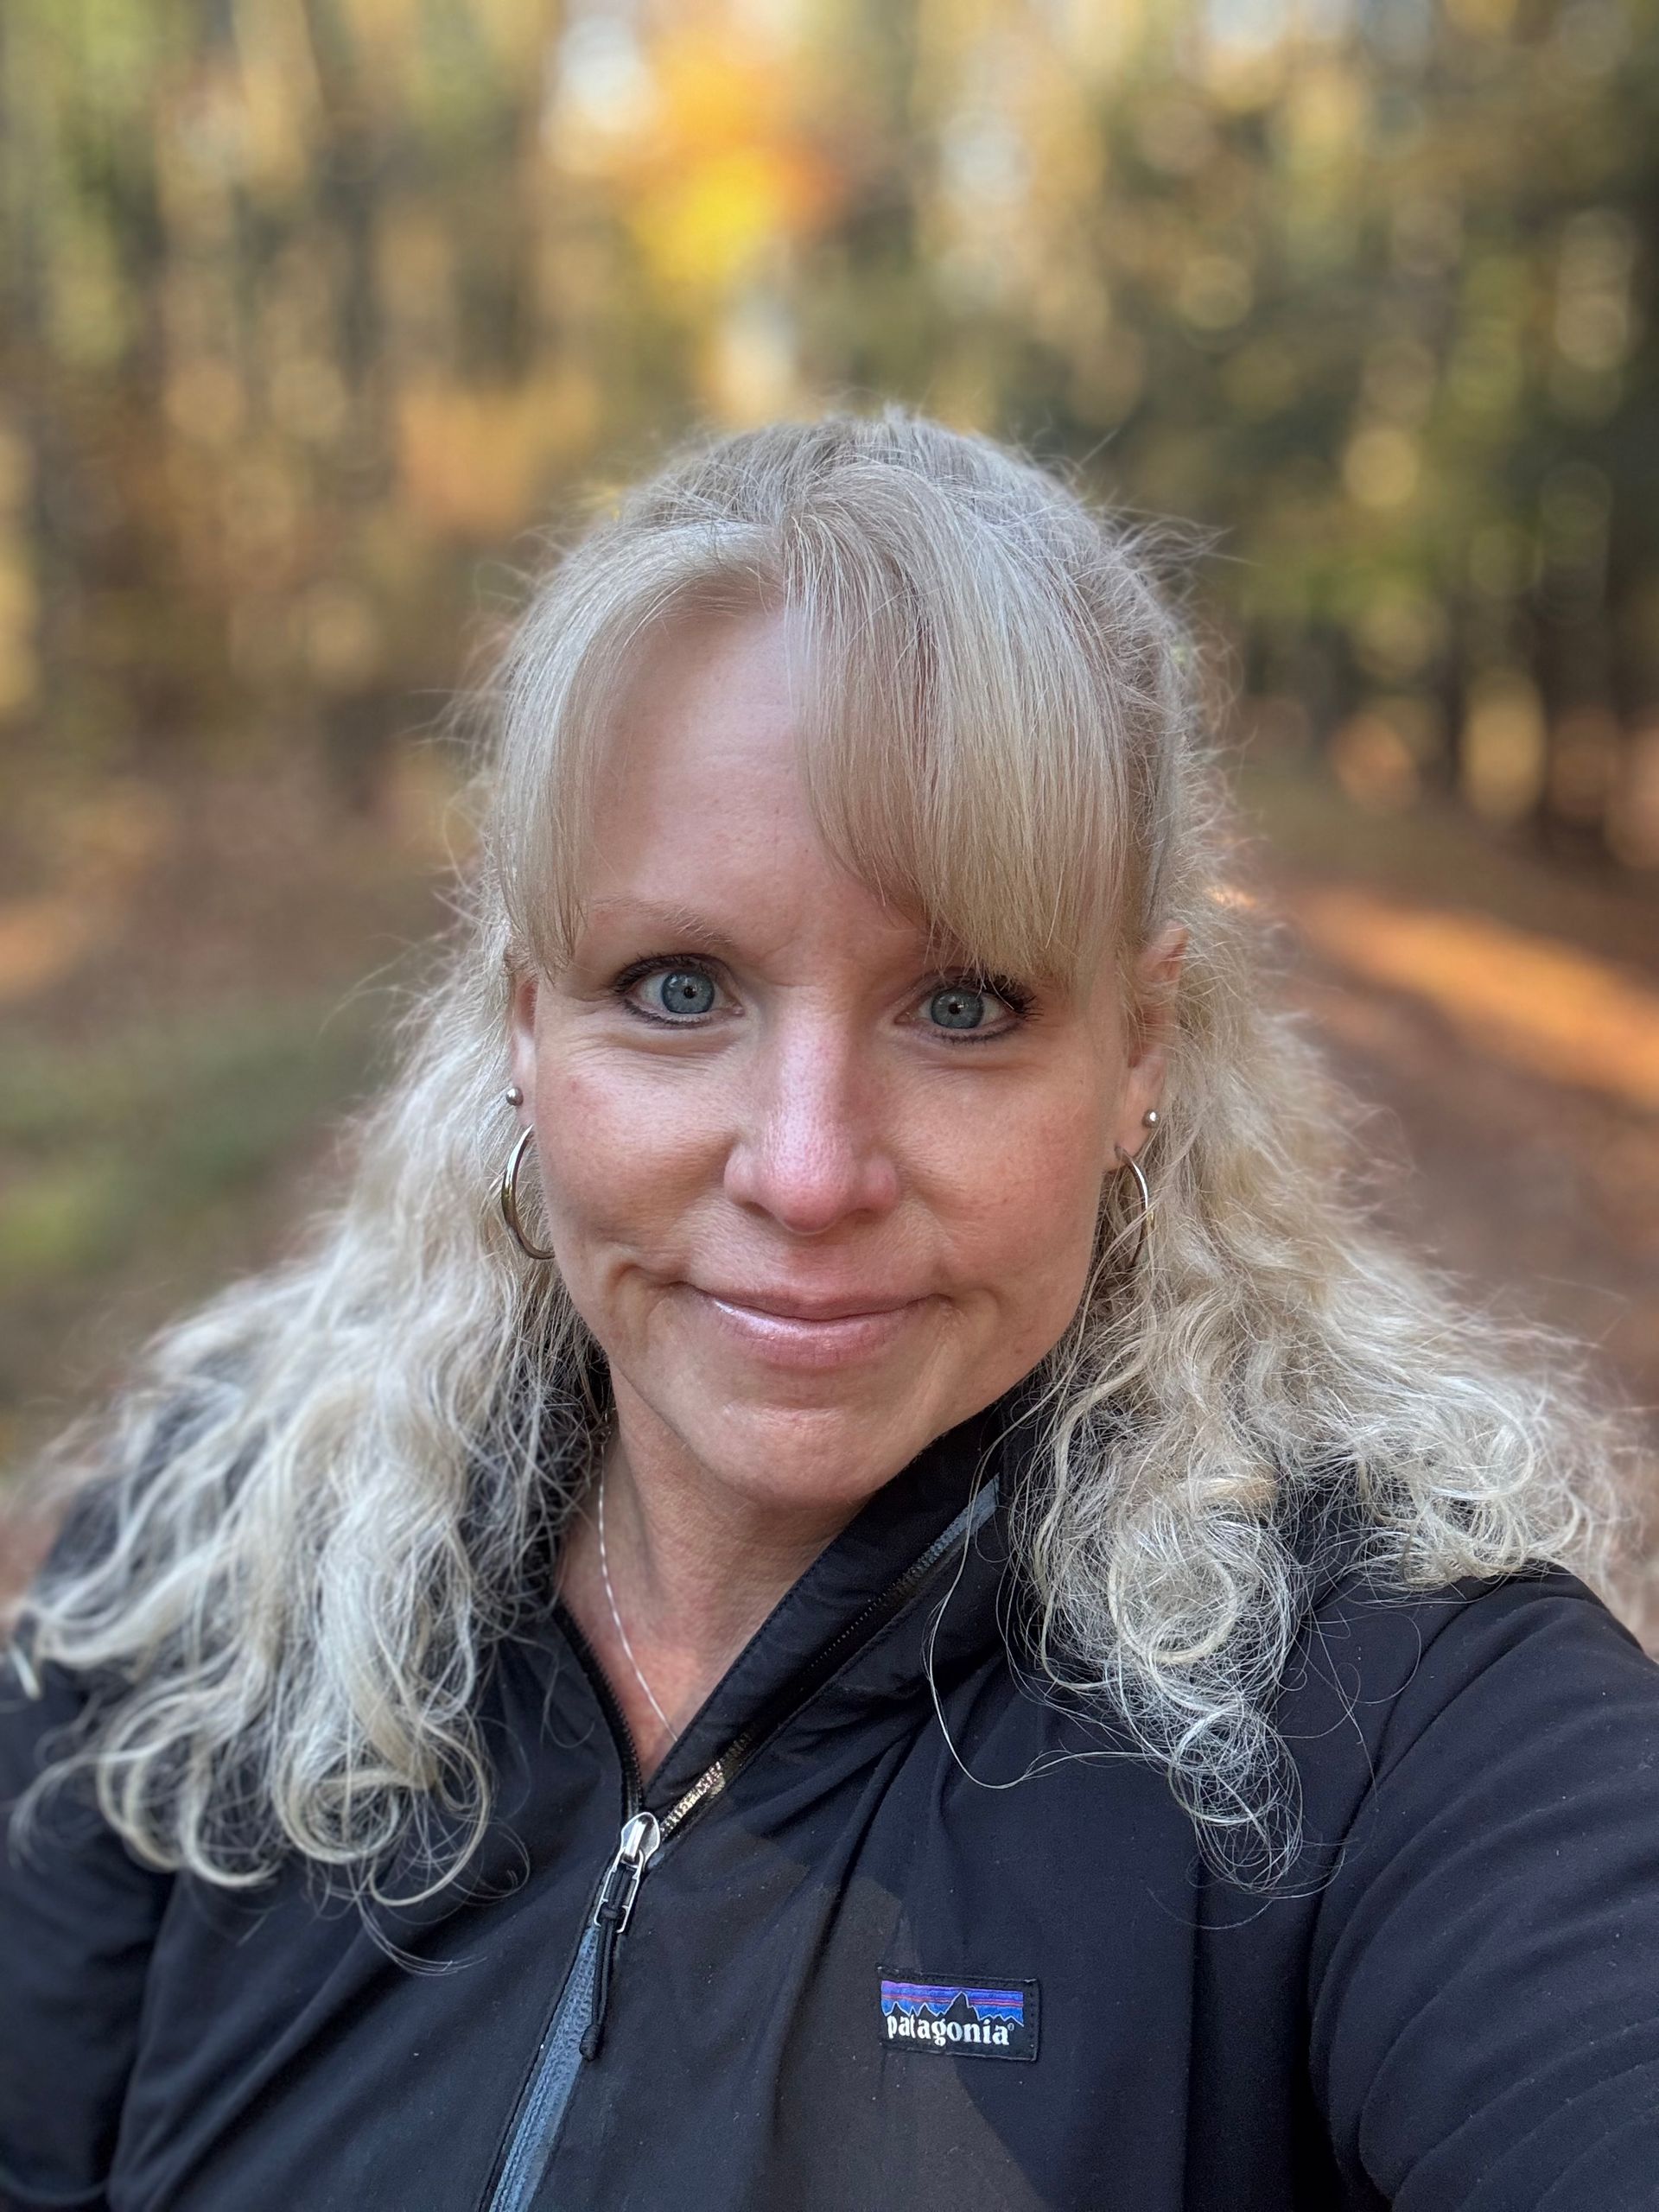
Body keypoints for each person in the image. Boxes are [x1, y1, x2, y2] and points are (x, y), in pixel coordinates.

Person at [2, 410, 1656, 2212]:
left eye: (961, 1003)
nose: (804, 1169)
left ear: (1140, 1049)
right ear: (523, 1020)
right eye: (678, 983)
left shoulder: (1402, 1713)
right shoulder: (205, 1582)